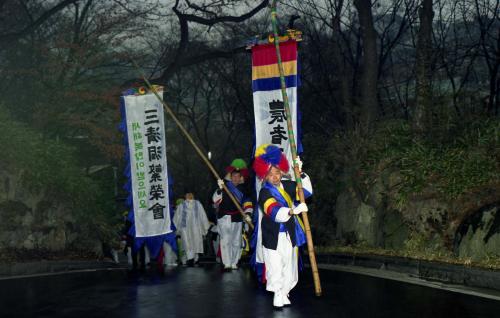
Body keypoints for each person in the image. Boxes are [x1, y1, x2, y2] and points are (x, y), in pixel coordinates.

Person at [252, 144, 312, 308]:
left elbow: (306, 192)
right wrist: (293, 211)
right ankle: (277, 294)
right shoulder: (264, 192)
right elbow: (272, 210)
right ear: (265, 175)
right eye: (270, 174)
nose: (275, 176)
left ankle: (285, 292)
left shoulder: (289, 186)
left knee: (290, 265)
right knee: (275, 266)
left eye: (277, 172)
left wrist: (300, 172)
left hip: (290, 234)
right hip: (273, 236)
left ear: (281, 171)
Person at [213, 158, 253, 271]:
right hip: (224, 217)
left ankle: (235, 262)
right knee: (225, 240)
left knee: (236, 241)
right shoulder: (224, 186)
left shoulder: (243, 189)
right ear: (230, 176)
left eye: (237, 176)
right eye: (233, 176)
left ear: (240, 178)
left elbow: (247, 202)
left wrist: (248, 213)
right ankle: (227, 263)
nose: (235, 178)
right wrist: (220, 189)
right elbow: (215, 199)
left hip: (238, 217)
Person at [173, 191, 210, 266]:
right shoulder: (182, 205)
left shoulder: (197, 204)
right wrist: (205, 226)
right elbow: (177, 217)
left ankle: (193, 258)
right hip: (187, 228)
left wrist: (205, 226)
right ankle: (190, 259)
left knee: (193, 243)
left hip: (193, 228)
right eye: (188, 195)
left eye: (190, 195)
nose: (189, 196)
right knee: (188, 243)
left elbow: (202, 215)